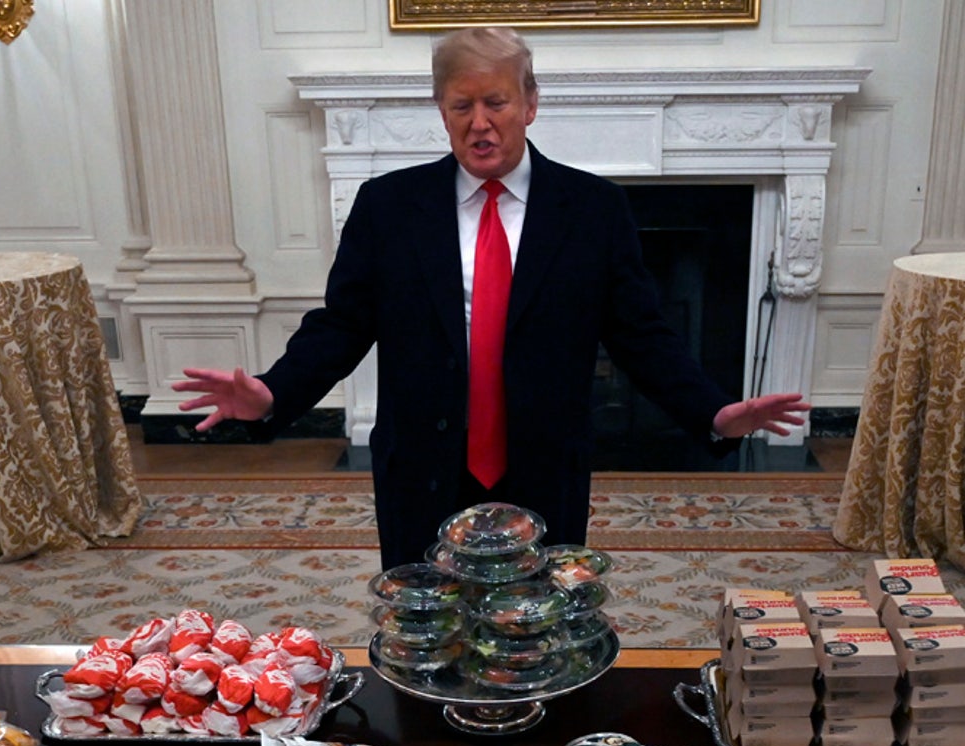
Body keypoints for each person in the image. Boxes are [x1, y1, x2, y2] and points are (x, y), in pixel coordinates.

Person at [174, 26, 809, 569]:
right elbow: (341, 324)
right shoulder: (388, 207)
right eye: (461, 106)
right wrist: (273, 392)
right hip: (422, 465)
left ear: (530, 103)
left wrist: (712, 411)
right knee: (427, 637)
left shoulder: (593, 210)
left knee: (536, 635)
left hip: (543, 466)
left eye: (497, 102)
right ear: (440, 109)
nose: (480, 124)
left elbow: (641, 334)